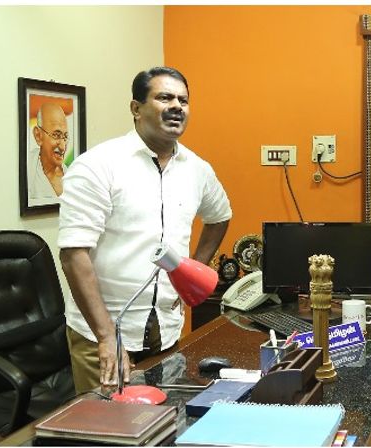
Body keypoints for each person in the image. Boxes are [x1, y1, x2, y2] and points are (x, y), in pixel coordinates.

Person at [58, 67, 232, 393]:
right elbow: (72, 254)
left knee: (165, 416)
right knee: (107, 421)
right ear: (136, 108)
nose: (176, 106)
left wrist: (193, 271)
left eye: (183, 100)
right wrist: (106, 336)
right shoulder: (98, 165)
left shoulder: (197, 169)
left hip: (165, 328)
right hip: (103, 333)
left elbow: (220, 216)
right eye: (164, 97)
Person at [29, 102, 68, 201]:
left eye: (65, 137)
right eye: (56, 135)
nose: (63, 147)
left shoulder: (69, 176)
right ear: (38, 136)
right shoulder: (28, 167)